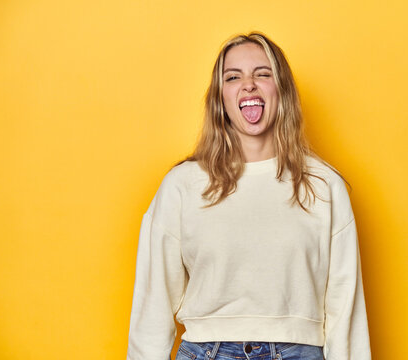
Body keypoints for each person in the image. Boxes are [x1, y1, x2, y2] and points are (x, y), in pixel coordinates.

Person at [127, 32, 371, 360]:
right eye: (233, 77)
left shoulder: (323, 186)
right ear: (221, 97)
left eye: (262, 73)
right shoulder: (182, 185)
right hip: (206, 352)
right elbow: (152, 308)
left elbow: (346, 311)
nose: (249, 85)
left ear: (281, 90)